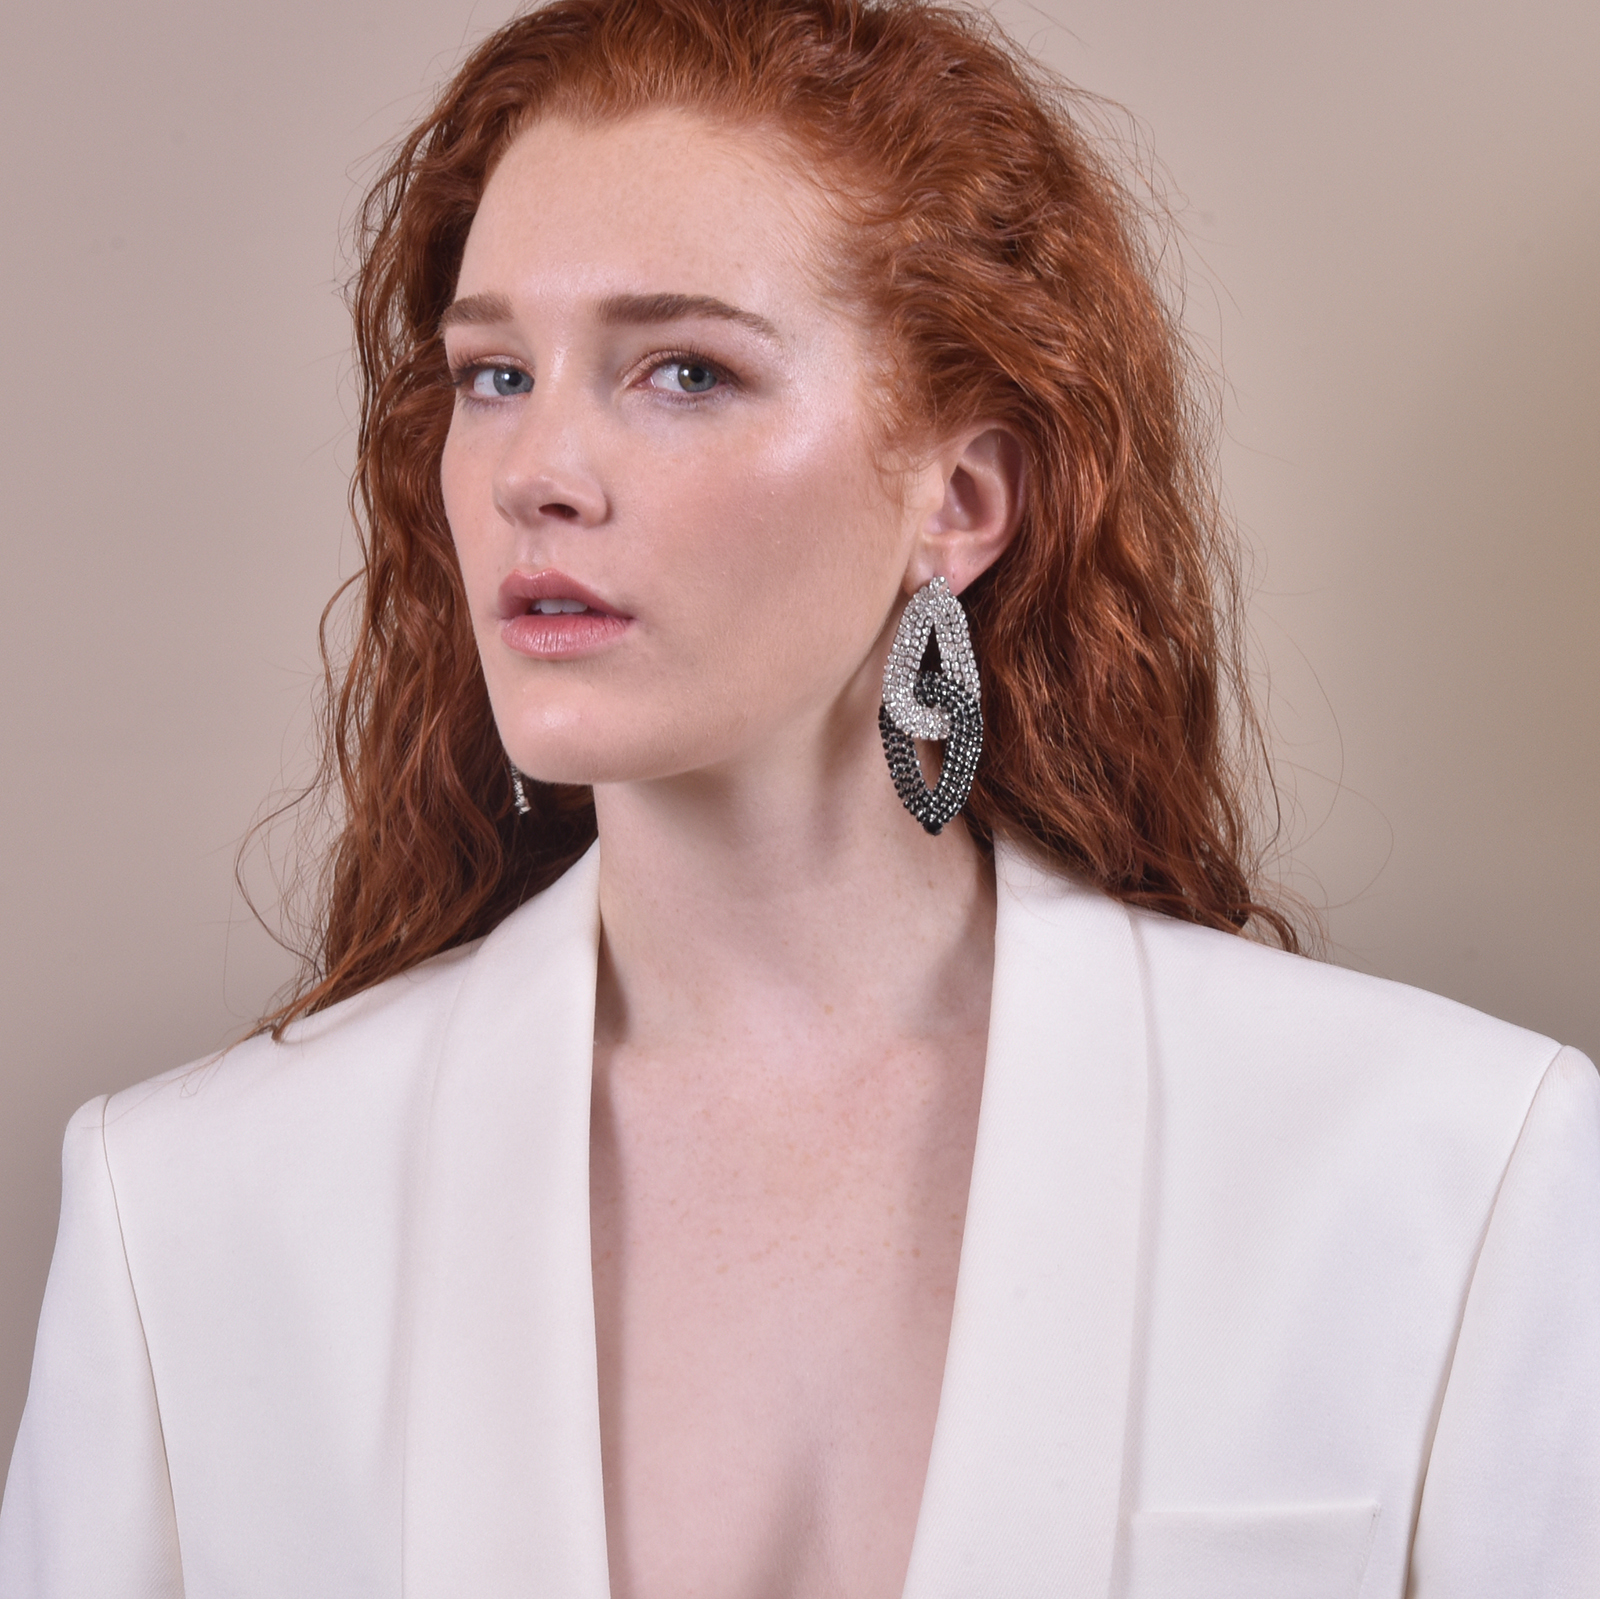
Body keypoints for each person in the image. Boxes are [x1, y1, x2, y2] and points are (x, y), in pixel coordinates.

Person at [2, 0, 1596, 1594]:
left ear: (959, 498)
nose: (534, 470)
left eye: (685, 370)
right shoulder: (190, 1216)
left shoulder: (1448, 1168)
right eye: (494, 374)